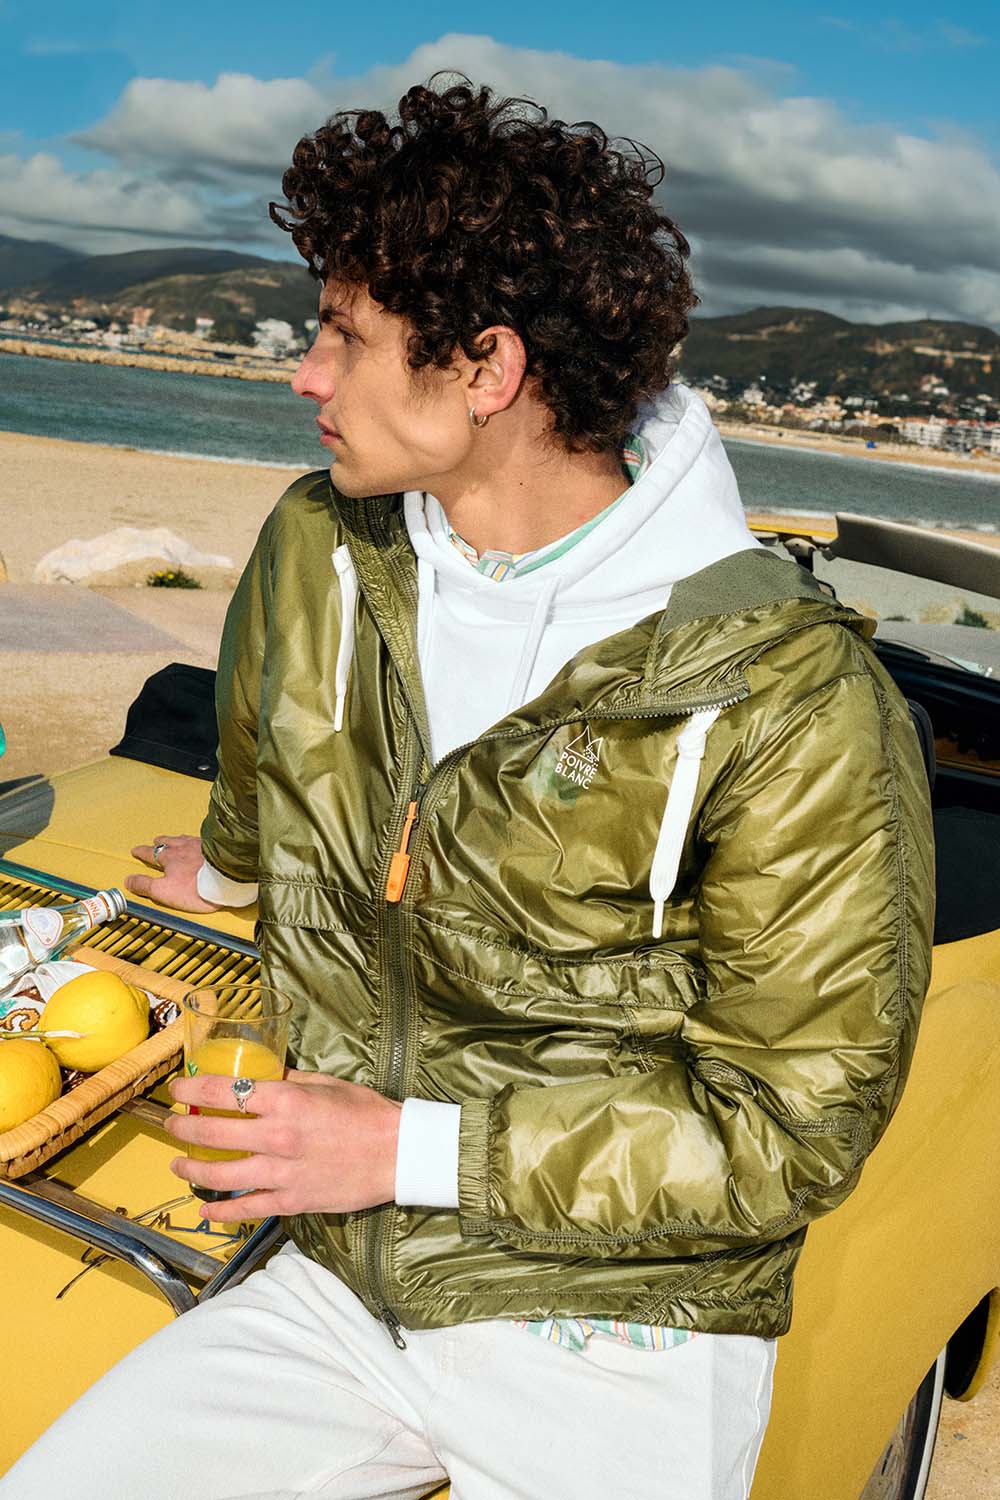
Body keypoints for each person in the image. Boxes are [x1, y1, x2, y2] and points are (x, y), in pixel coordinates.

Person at [3, 78, 934, 1500]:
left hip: (625, 1330)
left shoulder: (792, 696)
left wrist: (402, 1149)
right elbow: (264, 747)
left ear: (488, 367)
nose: (305, 375)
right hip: (339, 1280)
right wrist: (236, 870)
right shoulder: (323, 545)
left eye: (344, 335)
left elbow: (791, 1123)